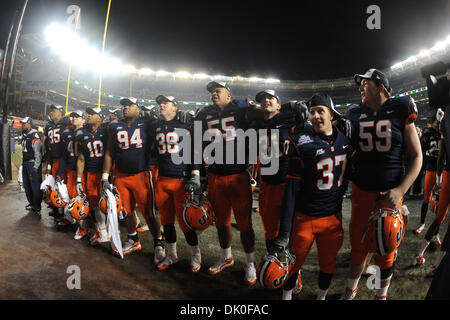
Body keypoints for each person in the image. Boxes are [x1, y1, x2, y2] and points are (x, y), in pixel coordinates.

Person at [341, 68, 422, 300]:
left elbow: (417, 156)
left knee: (386, 248)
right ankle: (350, 291)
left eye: (365, 83)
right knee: (358, 246)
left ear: (379, 86)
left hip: (389, 194)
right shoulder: (355, 112)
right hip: (362, 190)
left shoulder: (400, 108)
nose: (360, 88)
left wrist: (400, 190)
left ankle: (381, 295)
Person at [272, 93, 348, 300]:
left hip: (333, 217)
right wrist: (284, 232)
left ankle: (321, 297)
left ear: (331, 115)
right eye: (312, 112)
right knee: (292, 264)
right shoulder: (301, 141)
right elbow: (291, 188)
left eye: (320, 111)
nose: (315, 116)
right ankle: (286, 296)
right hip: (305, 218)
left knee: (328, 264)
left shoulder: (345, 137)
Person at [185, 81, 259, 284]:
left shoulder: (241, 106)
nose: (213, 94)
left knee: (245, 224)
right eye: (211, 92)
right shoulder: (203, 114)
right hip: (215, 176)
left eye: (217, 91)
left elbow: (264, 114)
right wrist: (194, 172)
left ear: (228, 94)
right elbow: (196, 143)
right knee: (222, 222)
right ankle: (226, 257)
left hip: (238, 175)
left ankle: (250, 262)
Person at [102, 97, 165, 263]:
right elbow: (109, 151)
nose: (126, 108)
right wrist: (105, 176)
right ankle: (133, 239)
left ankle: (158, 242)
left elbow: (161, 128)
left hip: (141, 175)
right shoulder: (114, 125)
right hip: (121, 175)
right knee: (126, 211)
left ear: (139, 109)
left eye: (130, 105)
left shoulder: (147, 123)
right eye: (124, 105)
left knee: (149, 212)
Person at [149, 95, 203, 272]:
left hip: (181, 180)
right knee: (166, 222)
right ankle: (172, 255)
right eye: (160, 103)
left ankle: (195, 254)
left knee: (185, 223)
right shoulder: (155, 125)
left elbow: (195, 149)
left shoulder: (186, 123)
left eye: (165, 103)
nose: (161, 105)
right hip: (162, 179)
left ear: (175, 107)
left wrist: (195, 173)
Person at [411, 108, 449, 271]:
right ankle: (437, 263)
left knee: (439, 216)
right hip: (434, 170)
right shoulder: (429, 131)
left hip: (444, 173)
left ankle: (420, 253)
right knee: (429, 201)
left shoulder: (442, 133)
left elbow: (441, 155)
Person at [76, 107, 109, 246]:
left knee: (107, 205)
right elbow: (81, 158)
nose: (88, 116)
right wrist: (78, 180)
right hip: (90, 173)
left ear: (100, 118)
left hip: (104, 174)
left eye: (92, 114)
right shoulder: (82, 134)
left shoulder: (107, 131)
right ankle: (102, 232)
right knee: (95, 205)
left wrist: (108, 175)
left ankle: (106, 232)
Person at [56, 110, 87, 238]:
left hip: (80, 171)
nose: (74, 118)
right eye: (73, 116)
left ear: (83, 120)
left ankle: (83, 227)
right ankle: (70, 219)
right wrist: (59, 172)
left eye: (77, 117)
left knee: (79, 200)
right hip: (69, 170)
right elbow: (64, 155)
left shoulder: (85, 134)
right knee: (69, 196)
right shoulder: (68, 133)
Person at [43, 104, 71, 220]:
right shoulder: (50, 126)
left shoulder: (67, 124)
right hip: (54, 160)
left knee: (65, 188)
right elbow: (49, 147)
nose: (51, 113)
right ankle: (58, 211)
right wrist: (47, 164)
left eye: (54, 111)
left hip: (66, 161)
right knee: (55, 187)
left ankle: (67, 214)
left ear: (61, 112)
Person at [414, 114, 442, 235]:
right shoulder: (427, 132)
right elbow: (421, 150)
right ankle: (422, 223)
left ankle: (436, 230)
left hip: (443, 169)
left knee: (441, 201)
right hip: (431, 168)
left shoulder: (444, 131)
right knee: (427, 197)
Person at [20, 117, 43, 216]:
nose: (22, 125)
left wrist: (36, 165)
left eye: (24, 123)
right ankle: (32, 203)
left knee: (35, 185)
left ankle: (37, 206)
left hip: (32, 163)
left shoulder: (34, 135)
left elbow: (38, 152)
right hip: (25, 163)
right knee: (27, 184)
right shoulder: (24, 135)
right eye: (22, 123)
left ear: (29, 124)